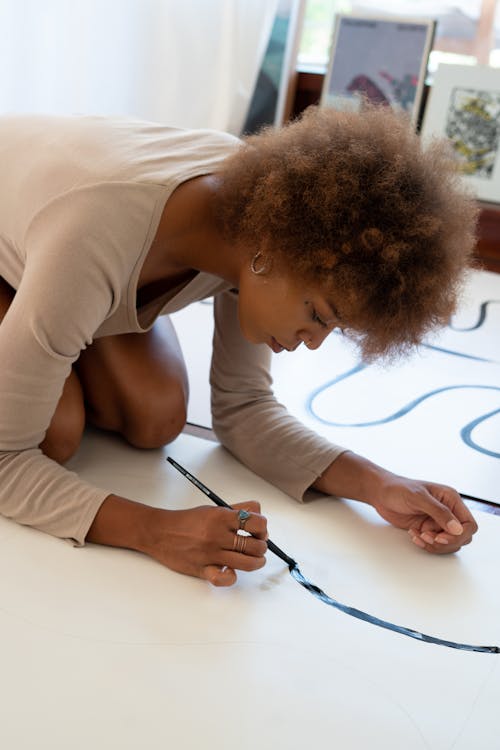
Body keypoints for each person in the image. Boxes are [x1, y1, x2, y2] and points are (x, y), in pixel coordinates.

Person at [0, 105, 478, 587]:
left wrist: (379, 484)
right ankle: (48, 332)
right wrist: (157, 530)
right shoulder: (94, 238)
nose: (311, 344)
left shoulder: (262, 226)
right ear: (269, 250)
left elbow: (243, 406)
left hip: (61, 250)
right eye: (317, 315)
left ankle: (48, 332)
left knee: (156, 417)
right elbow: (4, 460)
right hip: (58, 238)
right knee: (55, 433)